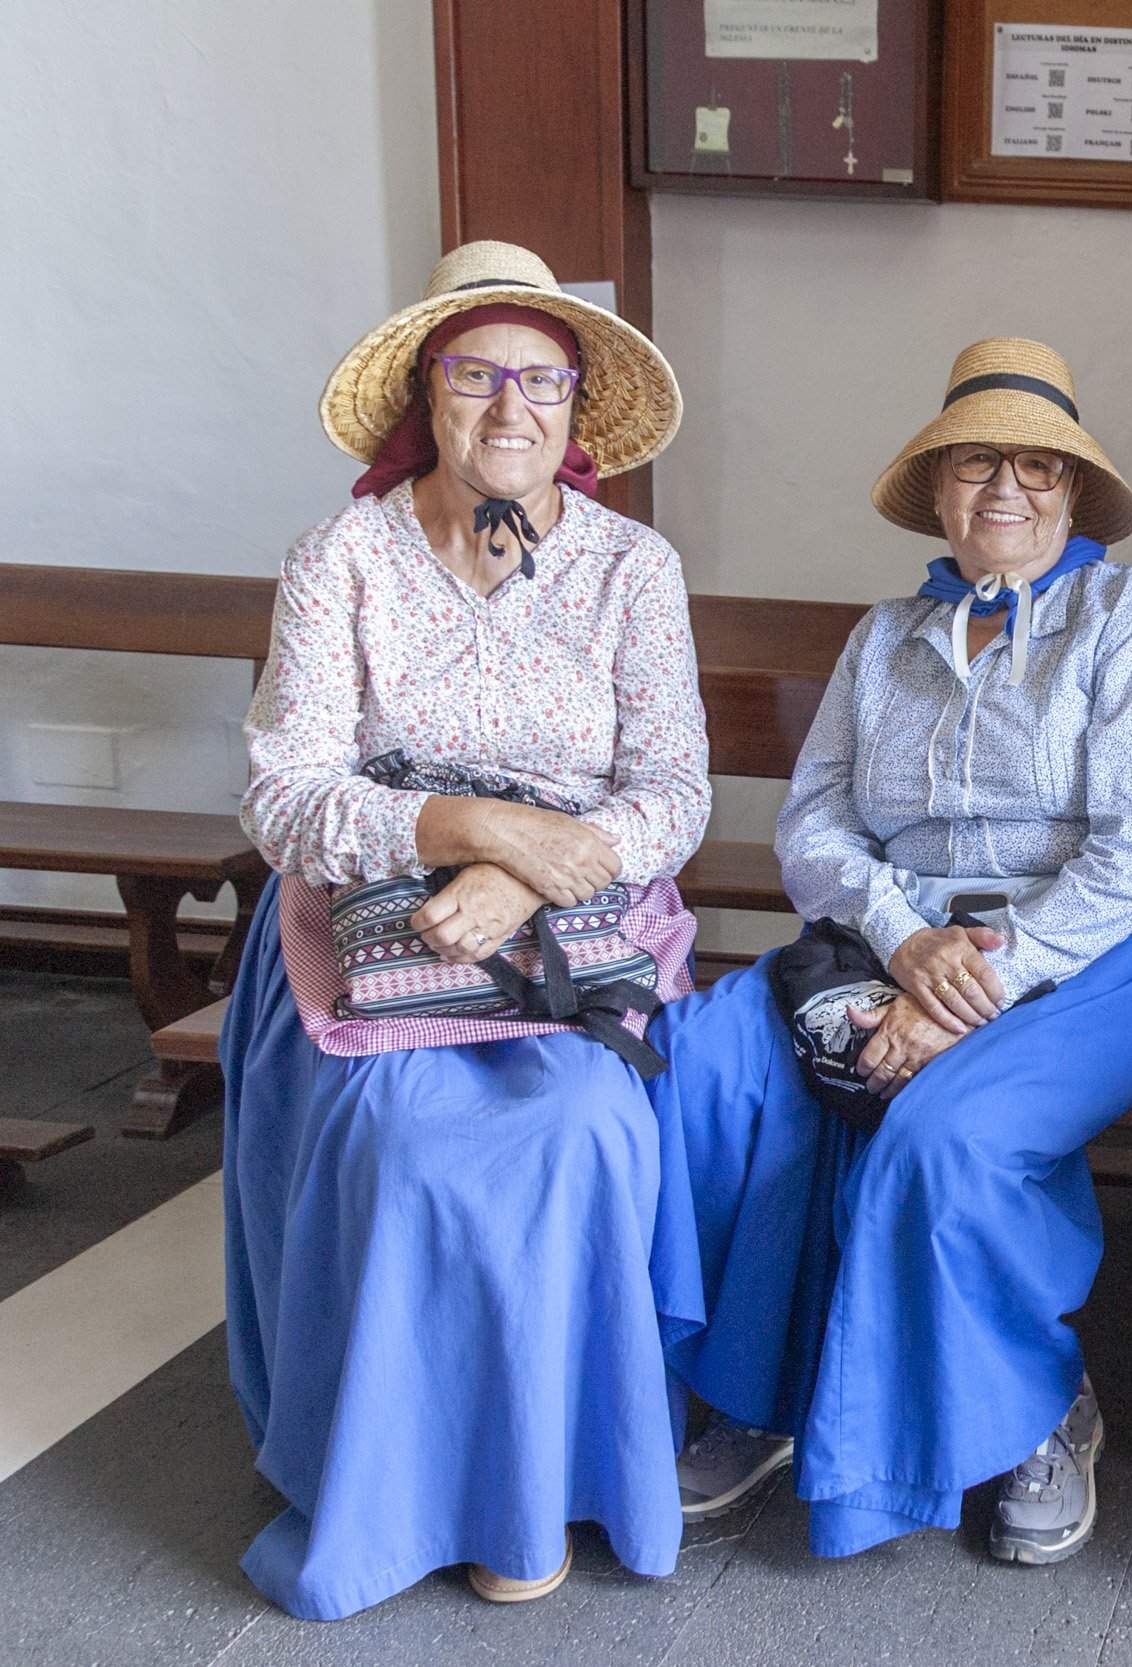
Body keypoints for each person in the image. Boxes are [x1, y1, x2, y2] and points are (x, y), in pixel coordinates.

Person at [649, 339, 1132, 1566]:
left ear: (1071, 490)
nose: (1004, 489)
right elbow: (813, 816)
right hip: (893, 933)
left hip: (1089, 940)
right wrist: (904, 939)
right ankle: (761, 1387)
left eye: (1035, 464)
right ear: (939, 485)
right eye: (975, 461)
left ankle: (1040, 1407)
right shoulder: (886, 635)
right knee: (701, 1063)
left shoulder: (1131, 621)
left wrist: (981, 978)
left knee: (948, 1130)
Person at [223, 240, 710, 1618]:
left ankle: (544, 1479)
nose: (512, 407)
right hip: (369, 917)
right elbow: (287, 791)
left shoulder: (632, 567)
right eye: (477, 374)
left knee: (584, 1129)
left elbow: (673, 789)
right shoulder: (341, 559)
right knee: (406, 1140)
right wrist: (473, 831)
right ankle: (402, 1487)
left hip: (583, 917)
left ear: (576, 405)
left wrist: (547, 871)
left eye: (541, 380)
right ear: (424, 398)